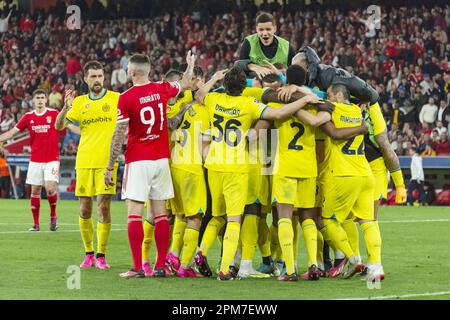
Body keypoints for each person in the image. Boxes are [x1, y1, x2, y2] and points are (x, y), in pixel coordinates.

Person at [194, 67, 324, 281]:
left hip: (213, 165)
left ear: (225, 84)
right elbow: (280, 113)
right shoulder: (249, 104)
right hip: (237, 167)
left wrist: (213, 78)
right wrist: (305, 99)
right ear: (244, 85)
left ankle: (204, 252)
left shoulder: (213, 99)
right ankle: (225, 269)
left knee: (218, 216)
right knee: (235, 219)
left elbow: (199, 95)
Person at [105, 52, 196, 278]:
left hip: (139, 160)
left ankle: (136, 268)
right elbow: (185, 83)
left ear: (133, 72)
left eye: (127, 69)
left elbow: (119, 134)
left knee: (134, 215)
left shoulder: (125, 97)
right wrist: (190, 64)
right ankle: (160, 266)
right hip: (161, 160)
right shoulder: (161, 88)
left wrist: (109, 166)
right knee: (160, 215)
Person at [55, 61, 120, 270]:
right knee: (84, 209)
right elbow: (59, 125)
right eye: (93, 77)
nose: (97, 80)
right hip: (84, 161)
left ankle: (101, 255)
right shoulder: (79, 102)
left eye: (100, 76)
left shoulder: (116, 99)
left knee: (103, 207)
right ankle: (88, 254)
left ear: (104, 77)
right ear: (85, 79)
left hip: (107, 163)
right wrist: (66, 107)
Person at [319, 84, 384, 282]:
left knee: (328, 220)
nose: (328, 99)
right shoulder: (358, 111)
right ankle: (376, 265)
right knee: (368, 222)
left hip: (344, 175)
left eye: (330, 95)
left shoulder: (333, 109)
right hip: (365, 174)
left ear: (339, 95)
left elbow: (335, 134)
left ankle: (353, 258)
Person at [0, 89, 60, 231]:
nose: (39, 100)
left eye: (42, 97)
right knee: (35, 189)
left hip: (52, 158)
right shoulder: (28, 117)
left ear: (46, 100)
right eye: (37, 97)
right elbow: (12, 132)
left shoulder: (53, 114)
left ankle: (53, 216)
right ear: (33, 101)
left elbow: (66, 124)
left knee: (50, 188)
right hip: (35, 160)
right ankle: (36, 224)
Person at [238, 12, 295, 78]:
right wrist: (256, 67)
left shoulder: (287, 46)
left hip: (280, 85)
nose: (265, 33)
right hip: (255, 86)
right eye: (261, 30)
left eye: (268, 29)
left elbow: (295, 72)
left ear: (275, 29)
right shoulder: (248, 42)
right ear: (256, 29)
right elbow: (239, 67)